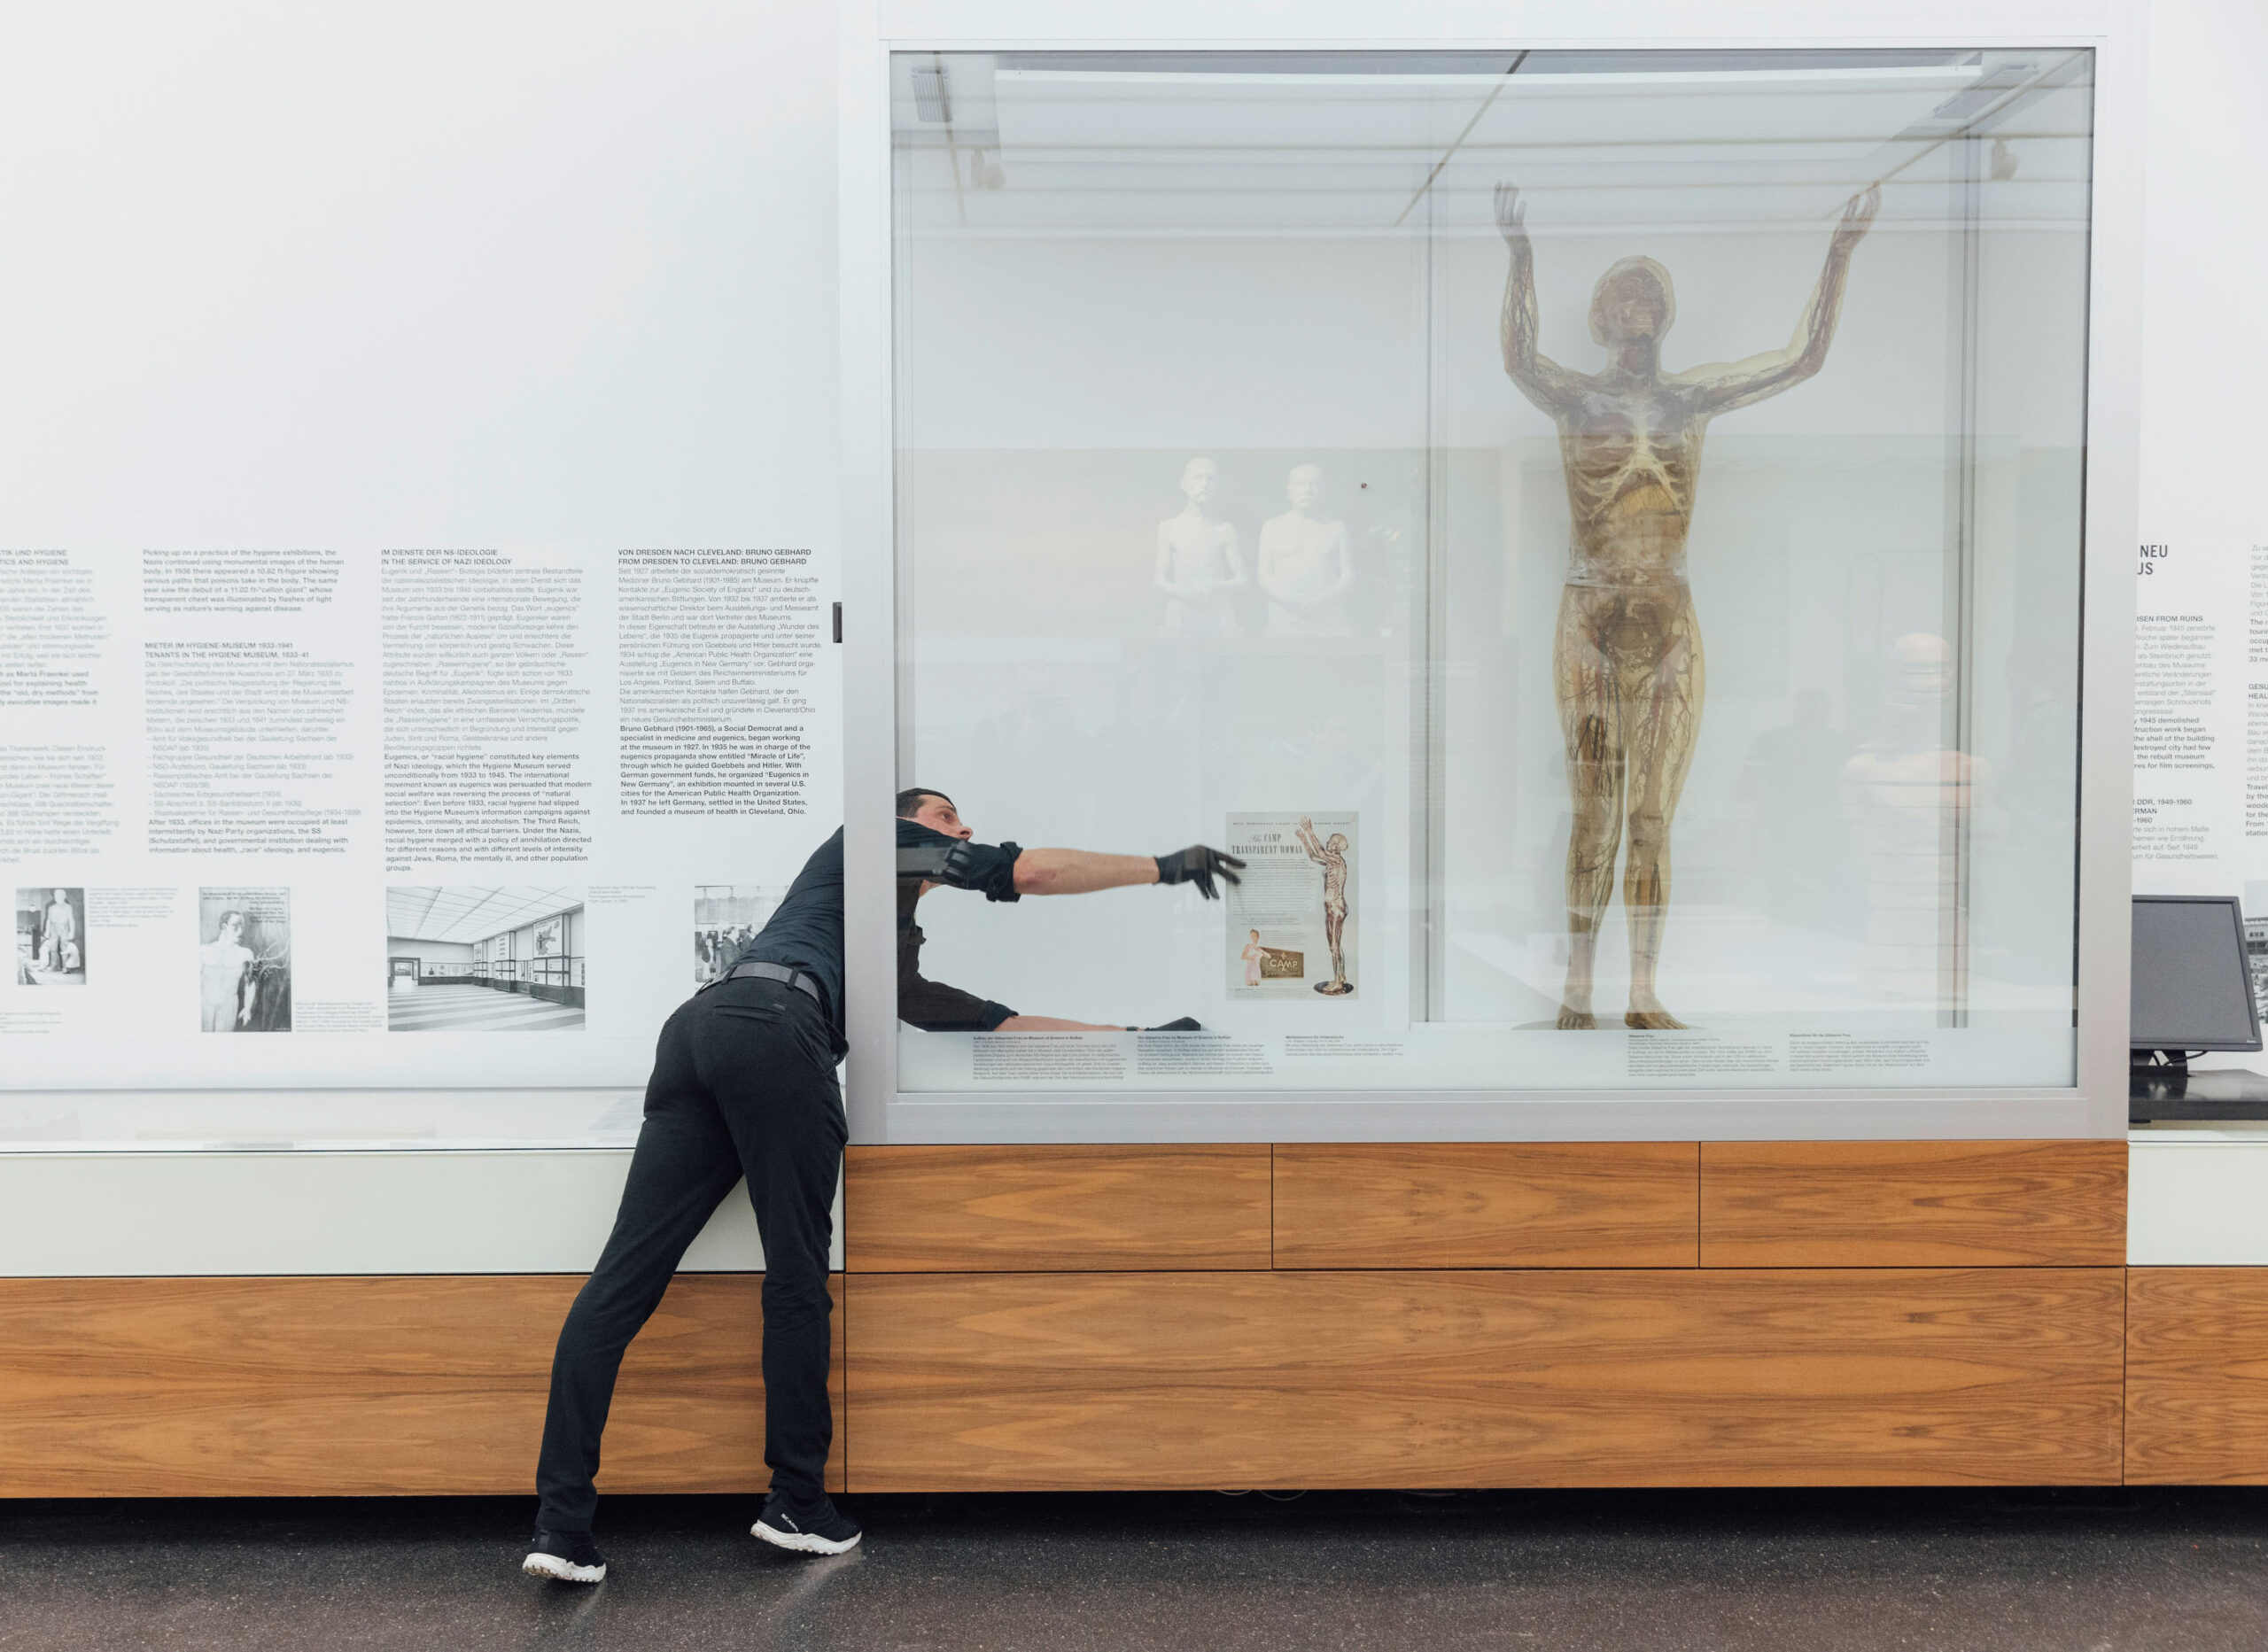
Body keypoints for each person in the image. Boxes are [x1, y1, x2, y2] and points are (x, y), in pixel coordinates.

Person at [523, 788, 1243, 1584]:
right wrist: (1165, 867)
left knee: (622, 1281)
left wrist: (1133, 1041)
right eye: (946, 817)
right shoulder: (879, 839)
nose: (961, 830)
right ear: (911, 819)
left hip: (699, 1028)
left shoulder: (878, 937)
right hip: (774, 1029)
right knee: (795, 1281)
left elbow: (986, 1020)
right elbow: (1025, 872)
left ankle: (560, 1528)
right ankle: (796, 1501)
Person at [1494, 178, 1876, 1029]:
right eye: (1621, 297)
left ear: (1664, 315)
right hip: (1588, 615)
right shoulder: (1574, 398)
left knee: (1654, 812)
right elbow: (1518, 360)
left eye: (1649, 296)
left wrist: (1840, 253)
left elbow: (1801, 359)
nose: (1636, 306)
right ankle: (1577, 992)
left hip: (1669, 617)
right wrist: (1520, 259)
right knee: (1593, 809)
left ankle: (1641, 993)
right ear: (1598, 318)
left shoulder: (1688, 400)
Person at [198, 910, 253, 1031]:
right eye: (236, 926)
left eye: (242, 927)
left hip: (228, 1007)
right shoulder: (203, 951)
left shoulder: (245, 954)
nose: (241, 931)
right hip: (204, 1005)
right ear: (224, 927)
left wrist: (247, 1008)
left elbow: (250, 983)